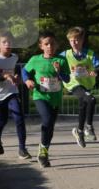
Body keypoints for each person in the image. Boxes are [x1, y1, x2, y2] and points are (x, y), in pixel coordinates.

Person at [22, 31, 70, 168]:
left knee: (50, 126)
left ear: (56, 45)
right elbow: (24, 71)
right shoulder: (35, 59)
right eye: (46, 44)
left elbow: (67, 79)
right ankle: (43, 151)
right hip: (40, 96)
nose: (50, 46)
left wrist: (59, 71)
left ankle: (44, 151)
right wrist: (27, 80)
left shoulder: (61, 60)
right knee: (47, 120)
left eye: (52, 44)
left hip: (55, 98)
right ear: (41, 46)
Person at [0, 31, 30, 160]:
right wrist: (4, 76)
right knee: (2, 120)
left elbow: (15, 70)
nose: (8, 44)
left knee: (19, 118)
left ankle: (22, 149)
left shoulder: (14, 57)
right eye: (4, 42)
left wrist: (16, 77)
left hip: (12, 92)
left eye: (10, 42)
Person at [63, 27, 99, 148]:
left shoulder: (90, 54)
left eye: (76, 40)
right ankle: (89, 127)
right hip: (73, 83)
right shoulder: (65, 54)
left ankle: (79, 131)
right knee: (91, 99)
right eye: (71, 40)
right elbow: (54, 62)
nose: (74, 43)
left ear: (82, 40)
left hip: (86, 84)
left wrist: (95, 71)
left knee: (84, 105)